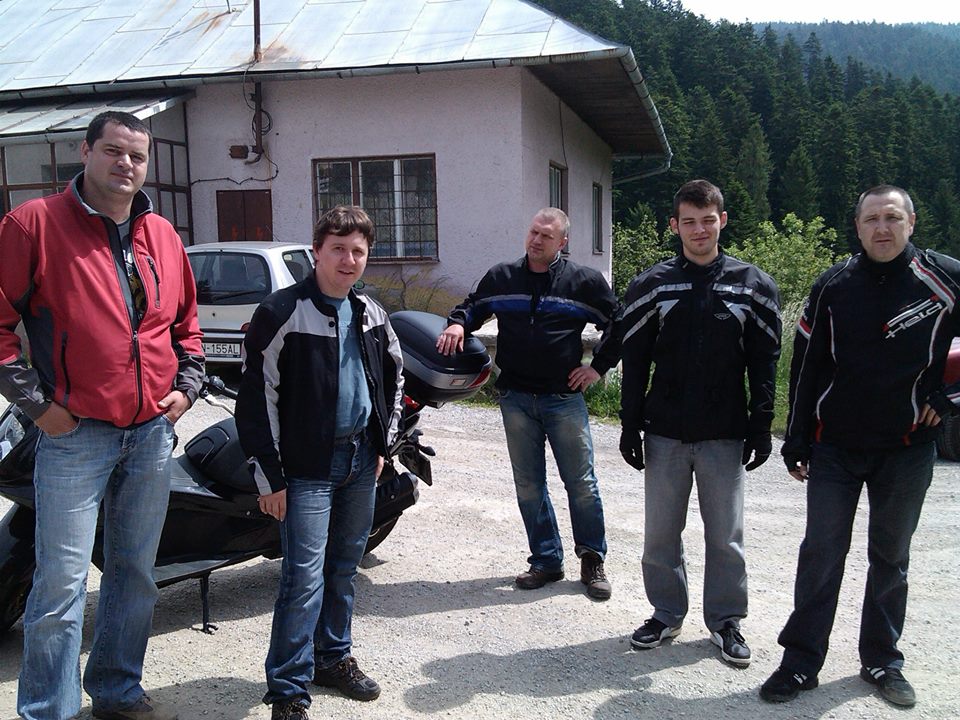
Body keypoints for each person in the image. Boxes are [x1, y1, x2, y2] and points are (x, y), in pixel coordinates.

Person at [0, 112, 204, 720]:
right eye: (113, 151)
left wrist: (187, 389)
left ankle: (116, 690)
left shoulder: (162, 235)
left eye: (137, 156)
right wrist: (38, 407)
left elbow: (186, 326)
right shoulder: (33, 224)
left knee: (135, 572)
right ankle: (49, 710)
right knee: (61, 583)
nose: (126, 165)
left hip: (150, 434)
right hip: (74, 436)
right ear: (85, 151)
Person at [760, 185, 960, 707]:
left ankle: (882, 660)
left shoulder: (944, 277)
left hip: (908, 447)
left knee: (890, 558)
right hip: (835, 448)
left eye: (892, 217)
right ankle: (800, 662)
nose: (882, 228)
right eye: (872, 219)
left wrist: (950, 396)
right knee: (821, 555)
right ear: (858, 226)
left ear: (911, 222)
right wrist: (796, 438)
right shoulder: (834, 284)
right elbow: (806, 366)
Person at [236, 206, 404, 720]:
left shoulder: (371, 313)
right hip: (305, 468)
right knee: (302, 581)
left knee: (344, 569)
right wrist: (269, 477)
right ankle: (288, 689)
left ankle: (332, 658)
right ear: (316, 252)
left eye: (358, 251)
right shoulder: (282, 311)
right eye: (338, 249)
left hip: (360, 461)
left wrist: (383, 446)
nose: (348, 260)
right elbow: (255, 398)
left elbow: (394, 379)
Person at [618, 179, 781, 667]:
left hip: (725, 431)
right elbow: (634, 359)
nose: (699, 230)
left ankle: (726, 621)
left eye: (708, 220)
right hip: (665, 430)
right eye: (688, 221)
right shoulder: (652, 285)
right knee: (660, 535)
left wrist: (761, 424)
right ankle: (666, 614)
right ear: (675, 225)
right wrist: (629, 424)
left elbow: (765, 362)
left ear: (722, 220)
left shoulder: (753, 285)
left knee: (725, 535)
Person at [436, 207, 619, 600]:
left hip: (563, 399)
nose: (537, 240)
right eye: (534, 232)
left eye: (546, 236)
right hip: (516, 398)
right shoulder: (503, 277)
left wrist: (597, 367)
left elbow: (618, 323)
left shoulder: (583, 282)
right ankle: (546, 560)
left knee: (581, 484)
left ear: (562, 242)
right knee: (529, 484)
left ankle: (592, 560)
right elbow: (473, 306)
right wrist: (457, 323)